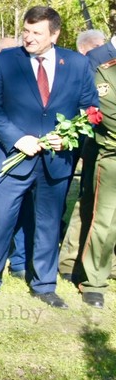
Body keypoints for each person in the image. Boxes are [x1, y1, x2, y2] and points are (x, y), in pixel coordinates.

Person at [0, 6, 99, 309]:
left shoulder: (76, 64)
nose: (29, 38)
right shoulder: (4, 62)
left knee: (48, 224)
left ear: (54, 35)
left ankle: (44, 285)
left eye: (37, 33)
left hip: (56, 160)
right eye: (26, 31)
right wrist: (18, 138)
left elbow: (89, 108)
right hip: (12, 156)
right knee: (0, 220)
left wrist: (69, 137)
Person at [76, 56, 116, 308]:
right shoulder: (107, 73)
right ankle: (94, 282)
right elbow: (110, 115)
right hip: (113, 157)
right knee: (106, 222)